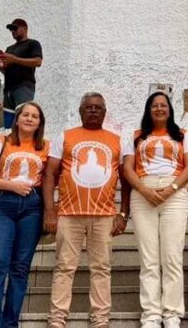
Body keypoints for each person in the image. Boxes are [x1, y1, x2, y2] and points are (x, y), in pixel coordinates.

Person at [43, 93, 129, 328]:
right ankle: (57, 318)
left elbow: (126, 179)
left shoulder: (117, 140)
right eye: (88, 107)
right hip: (69, 213)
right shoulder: (66, 136)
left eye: (98, 108)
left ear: (105, 112)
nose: (93, 111)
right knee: (64, 266)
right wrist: (50, 211)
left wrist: (123, 214)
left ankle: (100, 318)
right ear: (81, 111)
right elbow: (50, 173)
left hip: (104, 215)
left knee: (101, 267)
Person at [122, 92, 188, 328]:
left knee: (172, 256)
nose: (159, 109)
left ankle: (172, 314)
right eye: (154, 105)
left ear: (170, 109)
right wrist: (144, 190)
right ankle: (151, 314)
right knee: (149, 258)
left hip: (173, 193)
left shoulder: (182, 135)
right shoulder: (136, 136)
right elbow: (127, 168)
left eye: (163, 105)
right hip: (143, 193)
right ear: (148, 109)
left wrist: (171, 188)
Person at [0, 101, 50, 328]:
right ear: (17, 119)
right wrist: (11, 186)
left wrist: (51, 211)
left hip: (32, 207)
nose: (29, 118)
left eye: (34, 116)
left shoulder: (46, 146)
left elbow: (50, 179)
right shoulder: (1, 142)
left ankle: (10, 323)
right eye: (25, 114)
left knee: (20, 267)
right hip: (3, 205)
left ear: (40, 123)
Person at [0, 19, 43, 111]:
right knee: (9, 124)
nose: (13, 31)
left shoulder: (33, 44)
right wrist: (2, 67)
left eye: (15, 28)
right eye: (11, 30)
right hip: (8, 90)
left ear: (25, 29)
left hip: (23, 87)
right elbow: (6, 71)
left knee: (22, 117)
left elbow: (38, 62)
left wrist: (14, 59)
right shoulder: (9, 49)